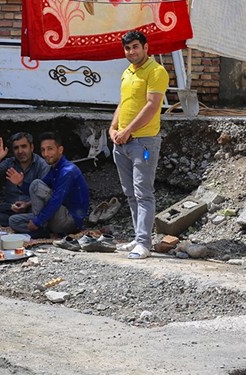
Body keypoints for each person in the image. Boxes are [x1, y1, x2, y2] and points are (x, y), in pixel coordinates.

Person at [109, 30, 169, 260]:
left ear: (145, 47)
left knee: (143, 192)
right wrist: (113, 128)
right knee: (130, 193)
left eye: (135, 46)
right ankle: (139, 236)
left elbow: (152, 107)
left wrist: (128, 130)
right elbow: (123, 104)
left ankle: (144, 244)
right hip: (122, 142)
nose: (131, 52)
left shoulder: (156, 71)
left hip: (143, 143)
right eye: (127, 48)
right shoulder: (127, 72)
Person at [8, 132, 89, 238]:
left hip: (69, 220)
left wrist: (37, 222)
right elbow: (36, 190)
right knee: (13, 220)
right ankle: (45, 231)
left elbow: (56, 200)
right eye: (43, 150)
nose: (46, 154)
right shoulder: (54, 169)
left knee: (36, 184)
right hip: (55, 216)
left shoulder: (67, 171)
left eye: (50, 149)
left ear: (60, 150)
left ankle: (41, 227)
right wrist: (21, 184)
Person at [0, 132, 50, 226]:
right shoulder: (9, 163)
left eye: (24, 146)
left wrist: (27, 204)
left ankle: (16, 222)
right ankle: (16, 222)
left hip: (31, 207)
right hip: (11, 206)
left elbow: (45, 194)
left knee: (43, 214)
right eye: (16, 148)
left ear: (31, 147)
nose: (20, 151)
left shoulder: (42, 165)